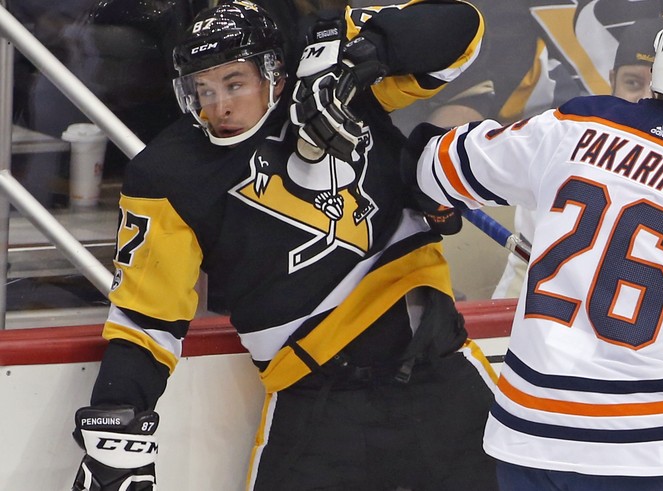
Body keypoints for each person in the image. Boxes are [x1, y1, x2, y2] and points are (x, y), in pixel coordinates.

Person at [69, 1, 499, 490]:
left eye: (234, 83)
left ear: (274, 72)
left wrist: (369, 50)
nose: (219, 106)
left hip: (440, 376)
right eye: (202, 90)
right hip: (318, 406)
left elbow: (462, 29)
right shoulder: (169, 174)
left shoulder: (331, 78)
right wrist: (116, 413)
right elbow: (147, 318)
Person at [403, 1, 663, 489]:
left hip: (529, 438)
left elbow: (437, 165)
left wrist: (432, 195)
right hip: (652, 456)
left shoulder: (574, 124)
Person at [492, 15, 663, 299]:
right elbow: (518, 290)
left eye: (660, 91)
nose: (644, 102)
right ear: (611, 81)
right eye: (633, 83)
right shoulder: (560, 159)